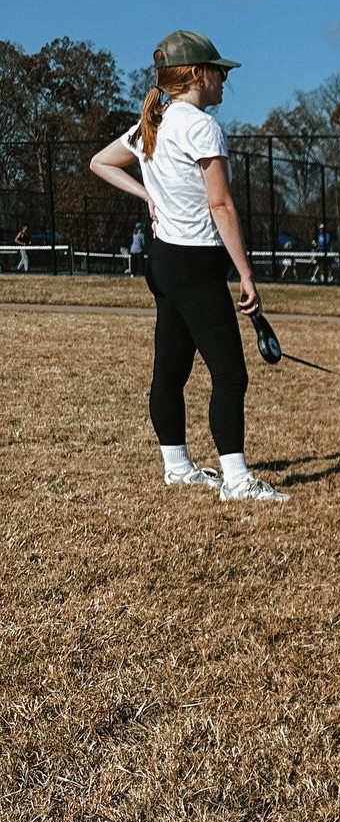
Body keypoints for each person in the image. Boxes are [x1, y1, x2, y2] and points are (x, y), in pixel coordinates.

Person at [89, 29, 289, 502]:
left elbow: (101, 161)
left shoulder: (153, 124)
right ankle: (237, 481)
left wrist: (148, 196)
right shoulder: (201, 126)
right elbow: (221, 204)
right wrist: (245, 273)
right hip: (197, 265)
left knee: (171, 370)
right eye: (219, 71)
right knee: (230, 375)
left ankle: (177, 468)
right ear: (198, 74)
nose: (224, 80)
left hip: (164, 262)